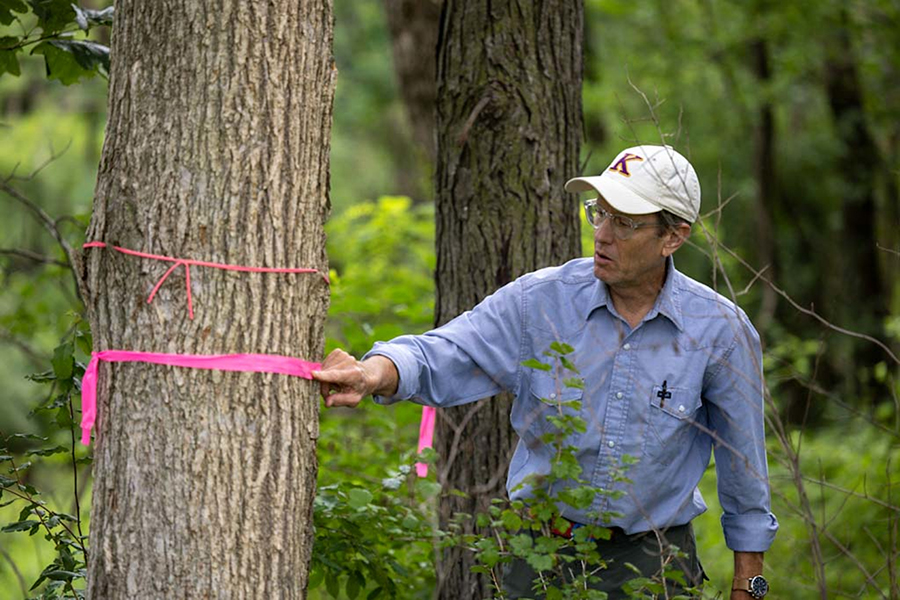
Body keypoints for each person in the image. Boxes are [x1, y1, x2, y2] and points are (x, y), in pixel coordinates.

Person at [313, 145, 777, 599]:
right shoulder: (540, 301)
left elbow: (744, 469)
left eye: (626, 222)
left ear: (673, 237)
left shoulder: (720, 331)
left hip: (653, 566)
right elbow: (442, 353)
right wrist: (371, 373)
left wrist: (748, 584)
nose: (604, 234)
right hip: (539, 560)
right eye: (600, 212)